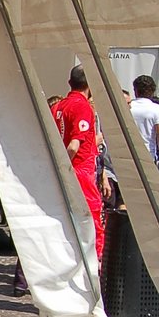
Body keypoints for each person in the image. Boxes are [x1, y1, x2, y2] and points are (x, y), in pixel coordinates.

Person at [53, 66, 104, 258]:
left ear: (70, 83)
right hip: (80, 171)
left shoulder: (57, 106)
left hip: (66, 172)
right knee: (91, 221)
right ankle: (94, 266)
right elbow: (74, 145)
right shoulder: (82, 106)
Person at [129, 74, 159, 195]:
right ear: (152, 92)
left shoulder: (128, 107)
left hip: (128, 153)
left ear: (135, 91)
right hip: (147, 154)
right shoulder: (157, 109)